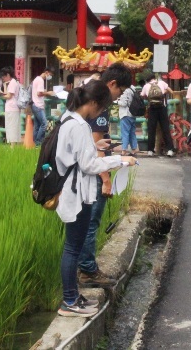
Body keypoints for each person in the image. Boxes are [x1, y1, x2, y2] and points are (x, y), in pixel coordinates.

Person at [56, 79, 138, 317]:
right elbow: (89, 165)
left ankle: (73, 298)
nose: (101, 112)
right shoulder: (80, 126)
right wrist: (121, 160)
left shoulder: (68, 119)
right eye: (101, 107)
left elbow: (76, 153)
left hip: (71, 190)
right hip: (76, 193)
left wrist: (96, 145)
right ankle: (69, 301)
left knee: (73, 246)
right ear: (92, 102)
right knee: (73, 248)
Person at [78, 63, 134, 288]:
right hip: (93, 173)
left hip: (81, 170)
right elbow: (96, 147)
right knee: (91, 223)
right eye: (119, 91)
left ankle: (85, 268)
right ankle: (88, 271)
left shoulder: (86, 95)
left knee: (83, 223)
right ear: (111, 84)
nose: (118, 97)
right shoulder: (99, 105)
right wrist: (106, 179)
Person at [141, 74, 175, 157]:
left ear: (148, 80)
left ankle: (150, 150)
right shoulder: (162, 83)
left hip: (152, 109)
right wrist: (163, 92)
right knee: (165, 129)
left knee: (151, 129)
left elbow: (142, 95)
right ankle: (170, 149)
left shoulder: (146, 86)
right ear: (155, 78)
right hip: (162, 108)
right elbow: (171, 91)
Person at [31, 66, 56, 146]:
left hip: (34, 104)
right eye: (50, 74)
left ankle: (35, 143)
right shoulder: (40, 80)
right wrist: (48, 93)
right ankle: (38, 142)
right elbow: (39, 93)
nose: (50, 76)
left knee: (37, 125)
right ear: (47, 72)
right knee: (44, 124)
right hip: (38, 105)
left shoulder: (36, 79)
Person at [0, 66, 21, 147]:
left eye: (3, 77)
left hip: (12, 108)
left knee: (11, 127)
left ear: (8, 75)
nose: (3, 78)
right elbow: (8, 94)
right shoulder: (13, 82)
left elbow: (9, 96)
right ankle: (14, 145)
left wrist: (0, 96)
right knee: (13, 126)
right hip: (13, 108)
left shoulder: (12, 83)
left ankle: (12, 146)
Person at [116, 84, 139, 156]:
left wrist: (117, 101)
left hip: (125, 114)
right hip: (132, 114)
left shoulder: (125, 91)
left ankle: (124, 150)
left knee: (125, 133)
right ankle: (134, 149)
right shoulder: (133, 89)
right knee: (132, 133)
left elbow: (124, 103)